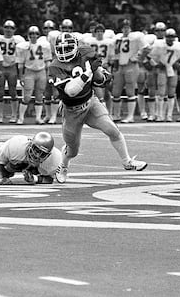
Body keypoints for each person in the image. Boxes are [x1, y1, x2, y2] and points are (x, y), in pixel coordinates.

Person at [49, 32, 147, 183]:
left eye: (67, 48)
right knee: (73, 150)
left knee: (112, 130)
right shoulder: (55, 66)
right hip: (72, 110)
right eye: (61, 49)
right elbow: (71, 90)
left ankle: (127, 161)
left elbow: (99, 76)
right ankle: (63, 165)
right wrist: (88, 72)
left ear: (76, 46)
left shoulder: (86, 51)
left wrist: (101, 75)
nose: (64, 52)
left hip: (91, 102)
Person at [15, 26, 52, 124]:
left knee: (40, 95)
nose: (33, 36)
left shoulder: (44, 45)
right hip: (29, 71)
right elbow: (20, 63)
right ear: (28, 35)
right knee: (27, 96)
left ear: (38, 35)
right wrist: (21, 76)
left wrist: (49, 74)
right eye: (31, 34)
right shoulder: (24, 47)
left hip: (41, 71)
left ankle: (38, 118)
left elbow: (48, 61)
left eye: (35, 34)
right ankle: (21, 118)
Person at [148, 28, 180, 122]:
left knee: (171, 93)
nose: (170, 39)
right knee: (161, 92)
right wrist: (156, 65)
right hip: (162, 70)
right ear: (165, 37)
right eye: (168, 37)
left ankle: (169, 115)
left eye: (172, 37)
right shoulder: (159, 45)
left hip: (173, 70)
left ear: (175, 38)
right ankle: (160, 115)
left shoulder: (179, 46)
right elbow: (150, 56)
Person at [0, 20, 24, 123]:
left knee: (13, 91)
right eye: (6, 27)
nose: (8, 29)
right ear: (3, 28)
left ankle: (14, 115)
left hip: (12, 66)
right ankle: (0, 116)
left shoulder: (18, 40)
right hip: (1, 66)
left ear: (15, 29)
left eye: (11, 28)